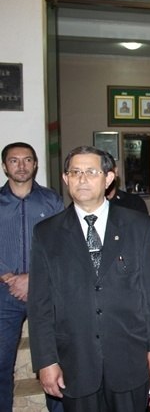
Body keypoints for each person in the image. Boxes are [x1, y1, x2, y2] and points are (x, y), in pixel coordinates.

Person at [27, 146, 150, 412]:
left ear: (108, 178)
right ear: (65, 178)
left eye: (91, 172)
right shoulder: (46, 233)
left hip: (129, 357)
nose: (82, 179)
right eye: (75, 172)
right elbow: (39, 304)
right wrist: (46, 361)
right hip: (75, 361)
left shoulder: (137, 225)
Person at [0, 142, 65, 412]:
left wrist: (32, 278)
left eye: (27, 160)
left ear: (35, 164)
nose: (21, 165)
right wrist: (8, 277)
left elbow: (62, 246)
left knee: (52, 360)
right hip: (4, 294)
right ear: (5, 166)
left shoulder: (52, 201)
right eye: (14, 161)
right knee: (2, 363)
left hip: (46, 292)